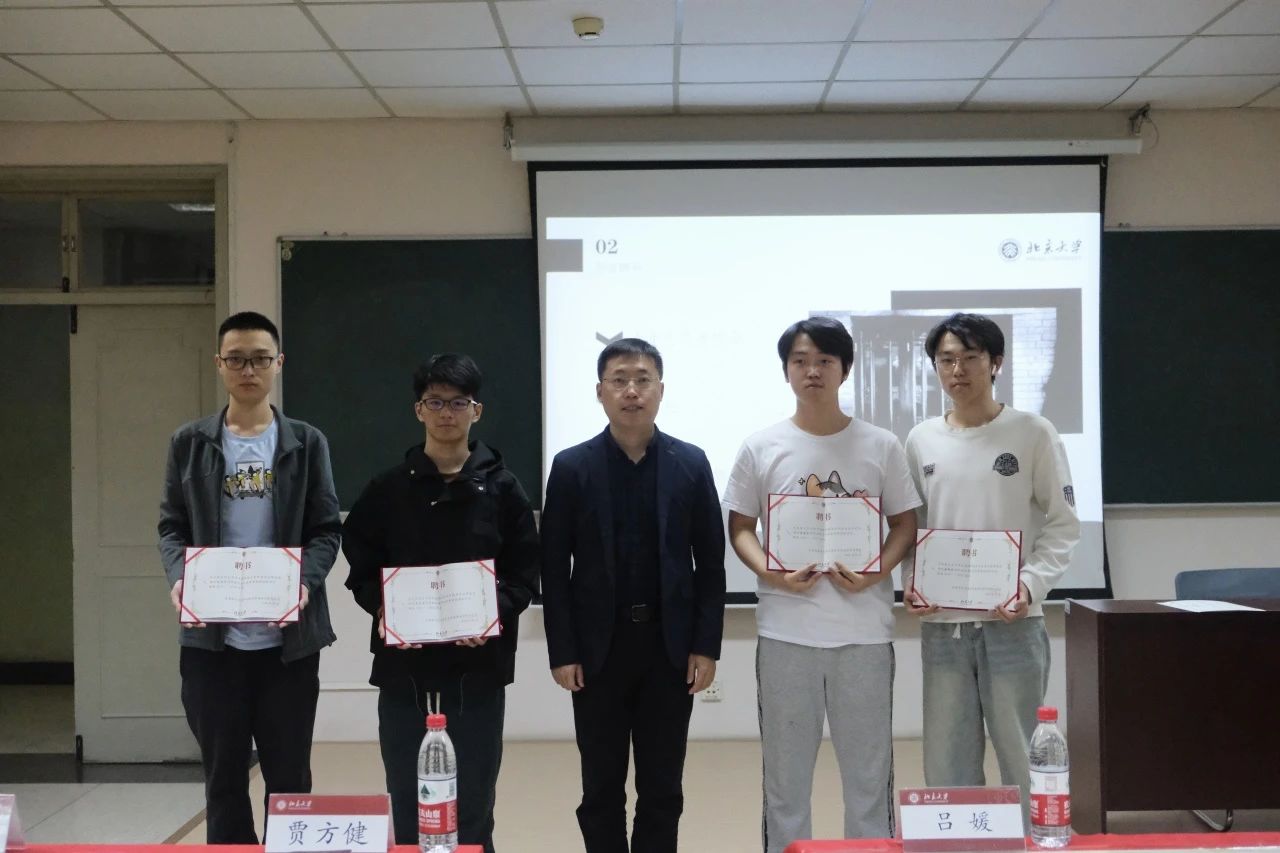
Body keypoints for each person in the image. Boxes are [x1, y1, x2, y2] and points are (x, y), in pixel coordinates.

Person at [722, 316, 920, 853]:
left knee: (868, 777)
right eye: (800, 361)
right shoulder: (762, 446)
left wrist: (877, 570)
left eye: (825, 361)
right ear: (786, 371)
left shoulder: (880, 445)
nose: (812, 371)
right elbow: (740, 527)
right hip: (787, 633)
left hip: (864, 634)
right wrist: (771, 572)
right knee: (785, 780)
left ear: (845, 370)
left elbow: (905, 524)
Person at [342, 353, 539, 853]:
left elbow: (524, 573)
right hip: (404, 672)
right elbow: (361, 563)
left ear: (477, 411)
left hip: (478, 671)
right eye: (435, 402)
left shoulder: (504, 489)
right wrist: (382, 608)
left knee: (473, 805)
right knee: (408, 801)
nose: (446, 412)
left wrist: (493, 611)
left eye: (458, 402)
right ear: (418, 410)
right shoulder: (387, 489)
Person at [158, 311, 341, 844]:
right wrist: (180, 577)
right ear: (219, 364)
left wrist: (303, 583)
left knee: (290, 779)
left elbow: (326, 529)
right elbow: (171, 526)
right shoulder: (189, 442)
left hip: (288, 645)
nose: (248, 370)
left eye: (260, 359)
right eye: (236, 359)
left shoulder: (306, 442)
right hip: (212, 645)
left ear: (278, 363)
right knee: (223, 781)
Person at [540, 337, 725, 853]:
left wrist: (706, 645)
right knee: (600, 788)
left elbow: (710, 565)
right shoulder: (572, 467)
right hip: (597, 651)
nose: (631, 391)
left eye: (643, 380)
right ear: (600, 391)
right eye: (619, 380)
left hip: (670, 649)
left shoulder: (691, 462)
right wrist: (563, 650)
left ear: (661, 390)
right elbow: (553, 568)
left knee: (662, 788)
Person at [903, 312, 1080, 824]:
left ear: (995, 362)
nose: (957, 370)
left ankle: (1030, 841)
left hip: (1013, 624)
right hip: (944, 627)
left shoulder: (1033, 432)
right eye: (946, 360)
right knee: (947, 762)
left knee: (1024, 756)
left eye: (970, 358)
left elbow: (1063, 524)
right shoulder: (921, 439)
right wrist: (912, 582)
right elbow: (912, 527)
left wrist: (1029, 585)